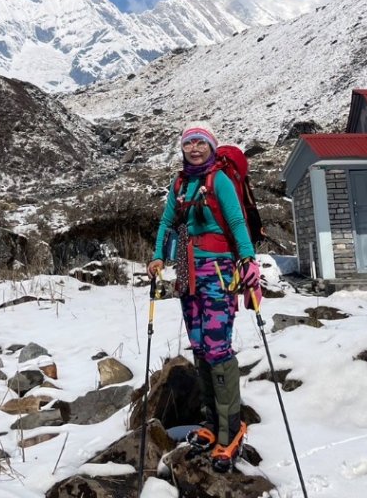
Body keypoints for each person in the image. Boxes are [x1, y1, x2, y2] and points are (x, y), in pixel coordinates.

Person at [147, 121, 261, 472]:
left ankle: (231, 431)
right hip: (186, 268)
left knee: (217, 347)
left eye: (200, 143)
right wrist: (158, 256)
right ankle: (211, 423)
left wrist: (248, 258)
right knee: (199, 346)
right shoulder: (180, 183)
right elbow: (167, 223)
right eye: (188, 144)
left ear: (211, 146)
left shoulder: (219, 180)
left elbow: (236, 221)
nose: (194, 149)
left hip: (217, 269)